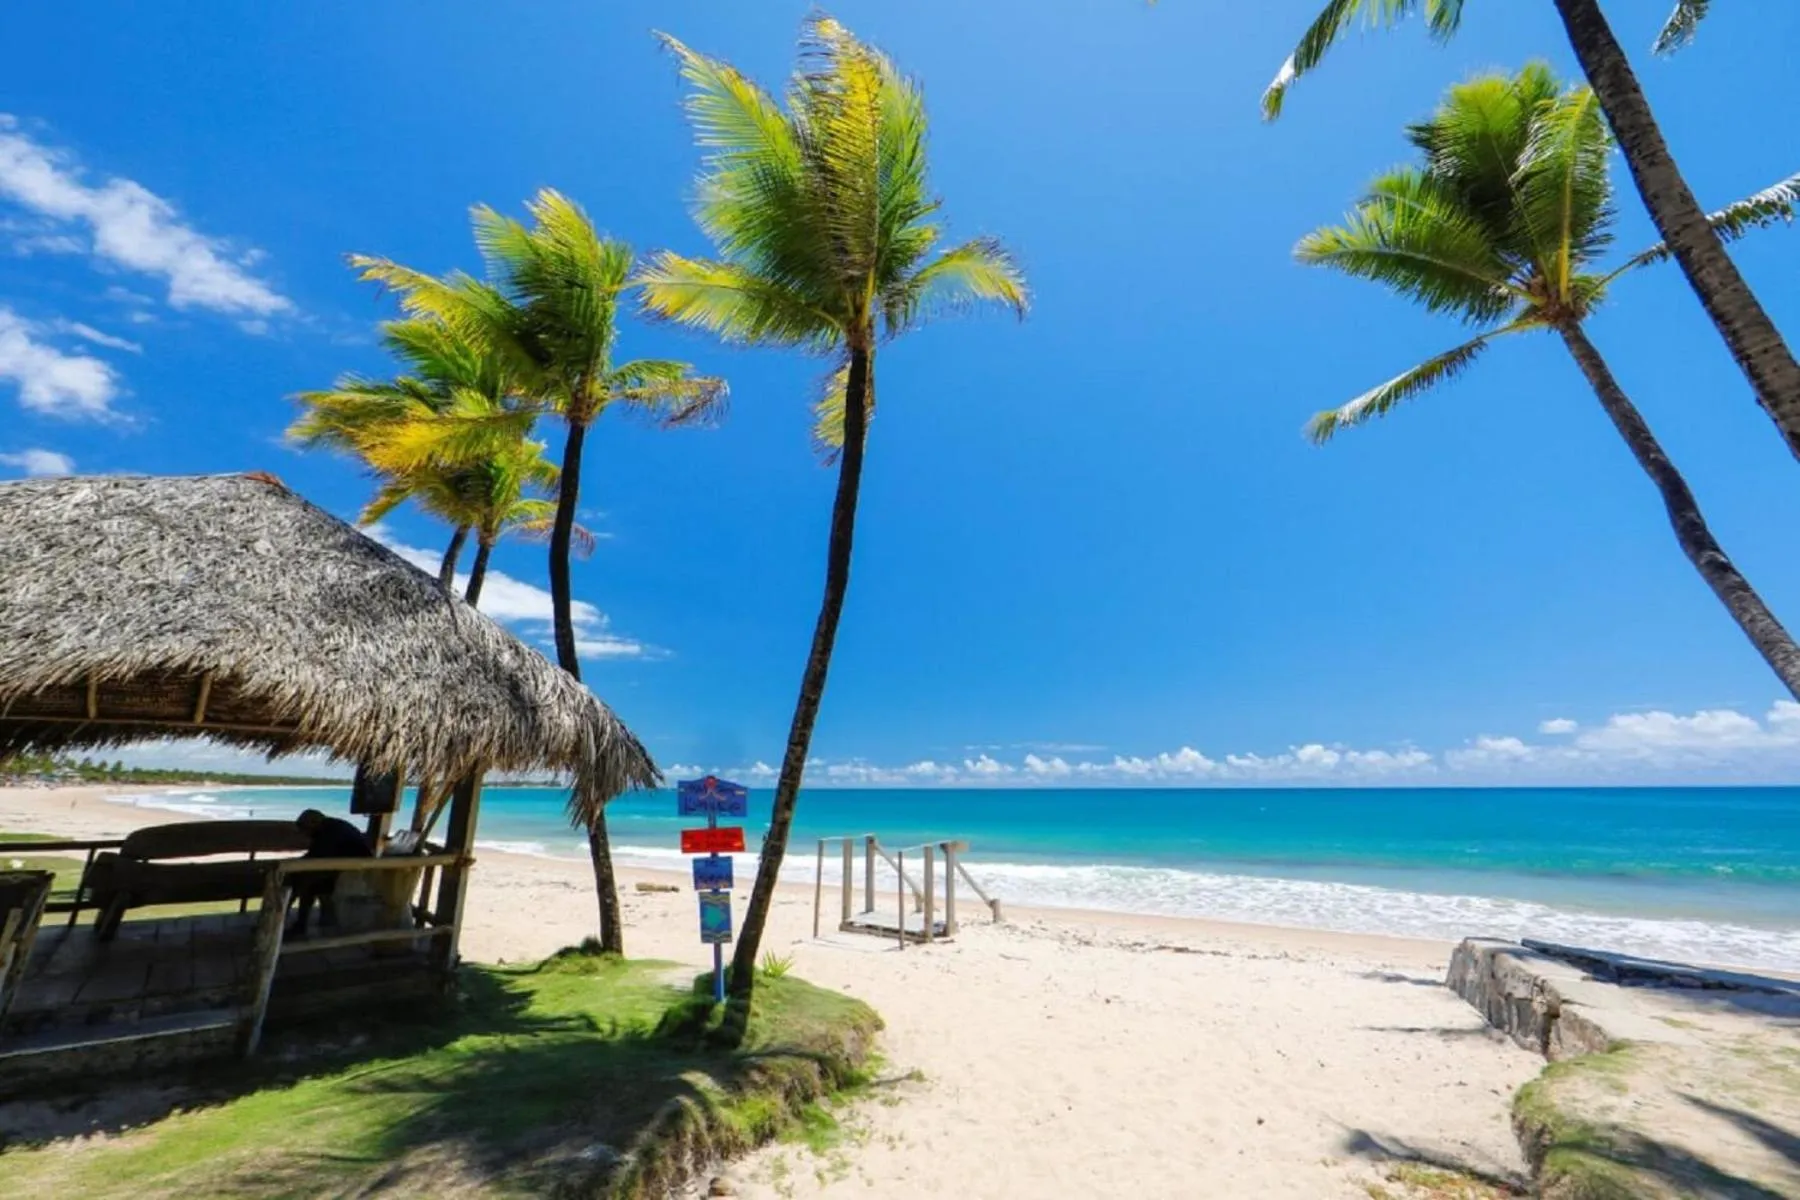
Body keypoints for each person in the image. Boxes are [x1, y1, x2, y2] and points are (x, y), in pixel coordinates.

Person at [289, 808, 372, 935]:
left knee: (304, 882)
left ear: (312, 824)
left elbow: (318, 856)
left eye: (305, 829)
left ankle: (298, 923)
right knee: (305, 880)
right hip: (345, 865)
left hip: (355, 869)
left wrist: (296, 864)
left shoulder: (329, 831)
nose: (305, 834)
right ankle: (314, 920)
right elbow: (316, 855)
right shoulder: (329, 827)